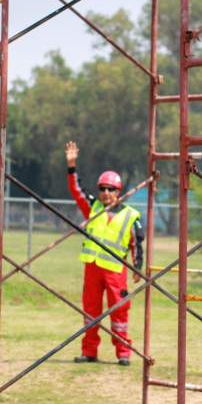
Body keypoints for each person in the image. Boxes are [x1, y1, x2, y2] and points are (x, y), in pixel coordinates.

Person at [65, 140, 144, 366]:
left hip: (115, 273)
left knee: (119, 313)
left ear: (118, 192)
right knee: (91, 312)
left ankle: (123, 353)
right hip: (92, 269)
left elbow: (137, 244)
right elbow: (76, 189)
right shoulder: (92, 207)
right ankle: (89, 352)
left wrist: (137, 267)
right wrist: (71, 166)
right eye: (102, 189)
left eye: (111, 189)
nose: (106, 193)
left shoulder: (131, 216)